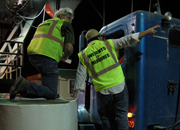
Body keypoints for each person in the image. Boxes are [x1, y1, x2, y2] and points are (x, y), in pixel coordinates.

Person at [69, 25, 160, 130]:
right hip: (119, 87)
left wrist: (75, 93)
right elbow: (127, 39)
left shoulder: (84, 54)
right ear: (99, 38)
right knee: (122, 116)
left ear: (88, 41)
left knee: (106, 117)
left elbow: (80, 75)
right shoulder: (108, 44)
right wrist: (146, 32)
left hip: (103, 92)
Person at [10, 7, 75, 100]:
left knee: (47, 91)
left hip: (32, 56)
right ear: (61, 16)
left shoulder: (43, 23)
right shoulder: (64, 24)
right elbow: (69, 48)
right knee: (52, 93)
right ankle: (25, 85)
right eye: (69, 18)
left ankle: (20, 90)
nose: (70, 21)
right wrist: (65, 56)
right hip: (48, 56)